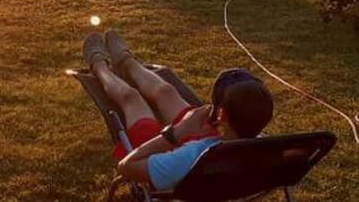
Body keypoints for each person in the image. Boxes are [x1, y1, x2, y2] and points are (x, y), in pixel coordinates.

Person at [83, 30, 274, 191]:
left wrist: (178, 131)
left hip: (164, 149)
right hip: (211, 140)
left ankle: (99, 66)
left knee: (131, 98)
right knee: (166, 91)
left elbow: (125, 167)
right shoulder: (270, 149)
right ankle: (127, 62)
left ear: (221, 114)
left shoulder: (190, 157)